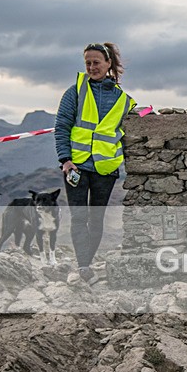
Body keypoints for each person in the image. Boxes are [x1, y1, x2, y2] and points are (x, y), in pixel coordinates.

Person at [55, 42, 135, 282]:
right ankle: (83, 266)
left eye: (96, 62)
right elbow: (62, 127)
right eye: (88, 63)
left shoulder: (123, 100)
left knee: (96, 219)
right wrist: (65, 160)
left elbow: (133, 123)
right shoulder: (75, 91)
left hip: (106, 168)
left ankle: (85, 262)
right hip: (76, 166)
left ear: (108, 63)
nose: (91, 67)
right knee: (79, 217)